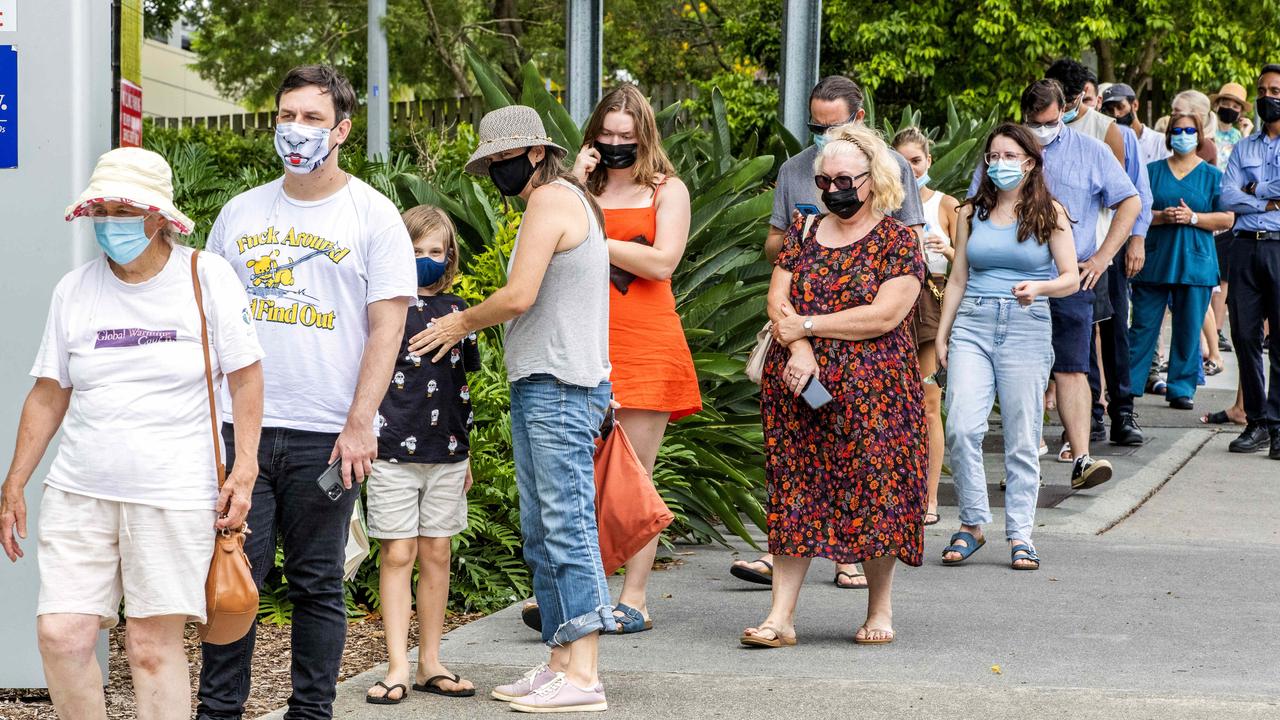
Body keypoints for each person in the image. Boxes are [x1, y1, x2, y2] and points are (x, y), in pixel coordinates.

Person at [0, 147, 264, 720]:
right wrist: (15, 482)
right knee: (62, 635)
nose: (111, 219)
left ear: (159, 215)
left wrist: (245, 468)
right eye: (103, 207)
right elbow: (49, 392)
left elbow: (246, 378)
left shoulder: (206, 276)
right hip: (80, 490)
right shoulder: (75, 289)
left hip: (172, 493)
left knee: (149, 647)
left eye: (125, 207)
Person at [197, 65, 417, 720]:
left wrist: (360, 423)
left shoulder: (373, 216)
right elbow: (210, 323)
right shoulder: (241, 214)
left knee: (318, 585)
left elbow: (388, 328)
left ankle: (310, 713)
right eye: (286, 115)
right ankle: (217, 712)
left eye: (312, 118)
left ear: (342, 129)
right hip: (244, 435)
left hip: (327, 437)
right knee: (231, 580)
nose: (296, 129)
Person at [411, 105, 615, 712]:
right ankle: (560, 659)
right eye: (490, 162)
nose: (497, 171)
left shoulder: (552, 200)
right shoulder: (561, 200)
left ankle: (583, 676)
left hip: (560, 384)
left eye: (504, 160)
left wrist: (458, 322)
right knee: (541, 531)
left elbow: (519, 296)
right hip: (547, 382)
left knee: (566, 527)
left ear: (534, 153)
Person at [735, 74, 925, 591]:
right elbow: (779, 294)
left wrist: (811, 325)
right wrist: (799, 343)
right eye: (826, 182)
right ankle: (779, 614)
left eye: (845, 182)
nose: (833, 190)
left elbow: (887, 313)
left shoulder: (895, 236)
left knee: (870, 488)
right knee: (796, 487)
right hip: (802, 383)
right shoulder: (801, 215)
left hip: (873, 386)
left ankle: (869, 590)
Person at [565, 83, 701, 633]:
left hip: (645, 342)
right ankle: (583, 592)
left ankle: (635, 597)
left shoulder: (667, 190)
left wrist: (590, 230)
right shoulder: (577, 190)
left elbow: (662, 262)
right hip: (582, 339)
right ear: (594, 135)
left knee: (634, 474)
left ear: (644, 137)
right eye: (608, 134)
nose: (617, 143)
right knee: (580, 473)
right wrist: (574, 185)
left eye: (628, 135)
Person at [972, 79, 1141, 489]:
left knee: (1071, 368)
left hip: (1068, 279)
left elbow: (1130, 200)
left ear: (1065, 110)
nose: (1041, 130)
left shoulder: (1091, 150)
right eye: (1034, 122)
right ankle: (1021, 463)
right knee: (1019, 374)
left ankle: (1082, 457)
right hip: (1010, 282)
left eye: (1048, 122)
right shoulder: (1003, 153)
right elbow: (973, 206)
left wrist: (1102, 258)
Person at [938, 124, 1081, 570]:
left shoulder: (1050, 212)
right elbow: (957, 277)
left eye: (1009, 156)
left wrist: (1037, 288)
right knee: (962, 427)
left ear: (1030, 163)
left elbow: (1071, 277)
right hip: (973, 323)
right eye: (992, 156)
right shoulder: (969, 213)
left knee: (1022, 438)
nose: (998, 164)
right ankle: (973, 524)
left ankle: (1021, 533)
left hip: (1026, 323)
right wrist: (943, 334)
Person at [363, 206, 479, 704]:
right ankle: (396, 666)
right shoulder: (381, 309)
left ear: (449, 257)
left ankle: (431, 660)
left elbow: (463, 385)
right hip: (390, 451)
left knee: (437, 552)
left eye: (435, 252)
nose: (426, 260)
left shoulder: (460, 313)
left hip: (449, 453)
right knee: (398, 552)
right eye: (414, 252)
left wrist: (468, 453)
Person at [1045, 60, 1152, 453]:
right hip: (1055, 256)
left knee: (1112, 329)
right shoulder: (1037, 129)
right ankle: (1089, 418)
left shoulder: (1106, 131)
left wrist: (1128, 244)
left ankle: (1123, 409)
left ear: (1076, 98)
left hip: (1100, 248)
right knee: (1079, 335)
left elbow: (1128, 194)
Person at [1128, 113, 1235, 410]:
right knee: (1143, 327)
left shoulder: (1213, 176)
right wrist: (1161, 217)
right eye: (1177, 130)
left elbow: (1227, 217)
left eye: (1189, 130)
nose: (1183, 135)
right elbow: (1135, 211)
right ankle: (1128, 387)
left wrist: (1194, 217)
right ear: (1168, 136)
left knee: (1188, 329)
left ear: (1199, 135)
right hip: (1154, 260)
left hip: (1196, 263)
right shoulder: (1152, 172)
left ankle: (1181, 388)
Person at [893, 127, 958, 526]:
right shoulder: (882, 202)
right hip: (891, 301)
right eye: (902, 162)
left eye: (915, 161)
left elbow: (965, 263)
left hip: (931, 301)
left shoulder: (946, 205)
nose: (909, 169)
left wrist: (944, 248)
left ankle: (930, 498)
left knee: (929, 404)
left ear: (928, 162)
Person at [1220, 63, 1280, 459]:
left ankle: (1277, 425)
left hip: (1278, 246)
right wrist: (1264, 199)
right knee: (1243, 336)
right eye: (1262, 90)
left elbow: (1242, 189)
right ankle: (1257, 420)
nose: (1267, 97)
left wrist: (1253, 186)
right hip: (1244, 246)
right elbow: (1226, 196)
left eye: (1275, 90)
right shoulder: (1244, 146)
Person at [1101, 83, 1171, 165]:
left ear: (1135, 105)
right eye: (1110, 110)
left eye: (1120, 107)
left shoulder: (1160, 142)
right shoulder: (1104, 143)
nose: (1116, 114)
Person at [1171, 90, 1220, 166]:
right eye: (1173, 109)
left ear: (1196, 115)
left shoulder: (1204, 145)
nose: (1172, 113)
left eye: (1177, 110)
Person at [1210, 82, 1251, 169]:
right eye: (1225, 104)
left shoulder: (1239, 136)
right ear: (1216, 106)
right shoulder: (1206, 130)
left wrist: (1246, 135)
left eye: (1235, 107)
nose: (1230, 108)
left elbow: (1248, 164)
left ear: (1240, 113)